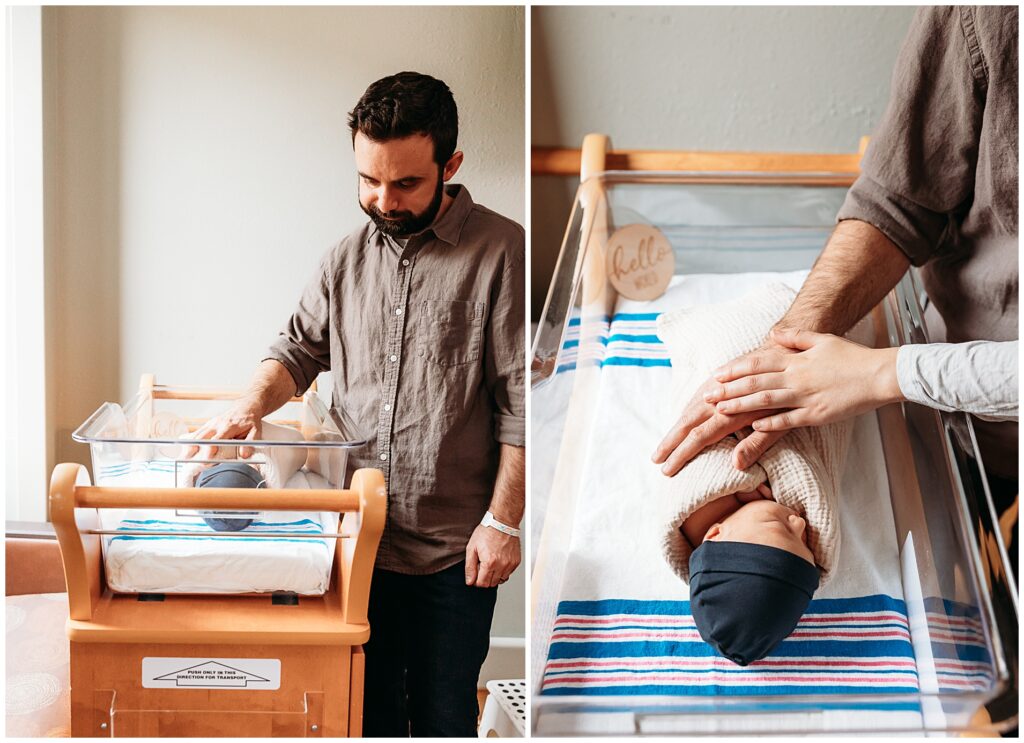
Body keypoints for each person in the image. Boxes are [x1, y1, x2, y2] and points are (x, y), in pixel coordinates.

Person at [190, 71, 525, 737]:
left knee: (441, 712)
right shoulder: (342, 260)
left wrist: (505, 522)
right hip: (354, 538)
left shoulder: (502, 251)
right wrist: (246, 408)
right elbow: (295, 351)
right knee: (359, 711)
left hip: (451, 549)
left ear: (449, 164)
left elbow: (522, 401)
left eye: (404, 183)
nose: (382, 199)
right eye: (368, 180)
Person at [652, 6, 1017, 570]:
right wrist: (785, 348)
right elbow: (903, 199)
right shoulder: (989, 15)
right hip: (975, 425)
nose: (801, 521)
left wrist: (881, 372)